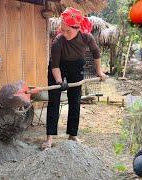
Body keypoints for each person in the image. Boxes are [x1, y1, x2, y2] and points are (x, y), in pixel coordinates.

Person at [42, 7, 106, 150]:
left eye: (68, 31)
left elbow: (96, 53)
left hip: (76, 67)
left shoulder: (86, 37)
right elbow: (55, 66)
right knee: (54, 102)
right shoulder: (58, 41)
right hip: (57, 69)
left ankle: (72, 134)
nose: (64, 33)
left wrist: (99, 71)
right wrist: (59, 81)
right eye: (62, 30)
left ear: (77, 28)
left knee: (75, 101)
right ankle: (49, 138)